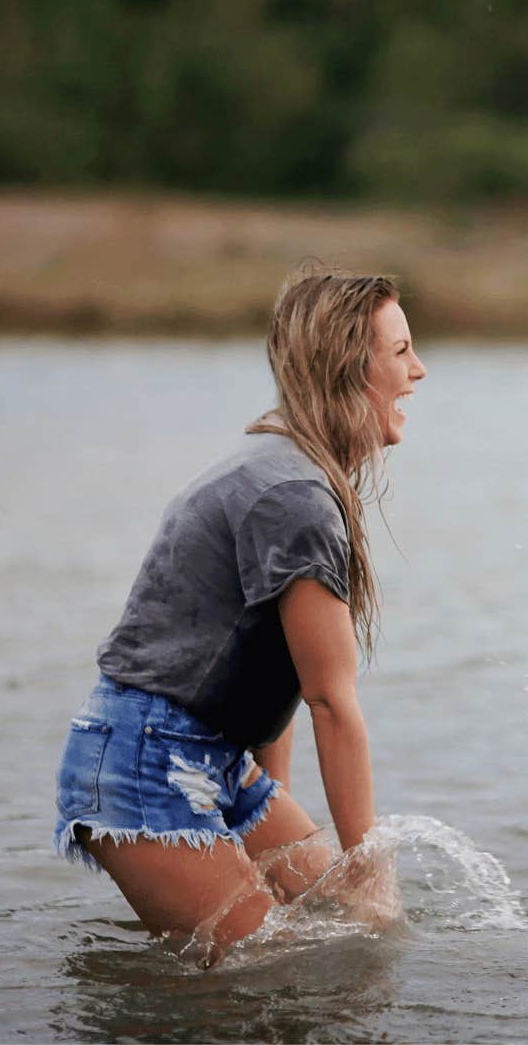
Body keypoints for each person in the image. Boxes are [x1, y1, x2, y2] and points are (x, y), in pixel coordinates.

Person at [53, 269, 424, 961]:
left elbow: (271, 676)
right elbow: (330, 700)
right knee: (279, 969)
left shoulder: (291, 471)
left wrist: (279, 835)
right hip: (145, 759)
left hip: (211, 756)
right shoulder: (295, 496)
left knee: (346, 934)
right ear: (350, 365)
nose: (418, 371)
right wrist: (368, 867)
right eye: (401, 352)